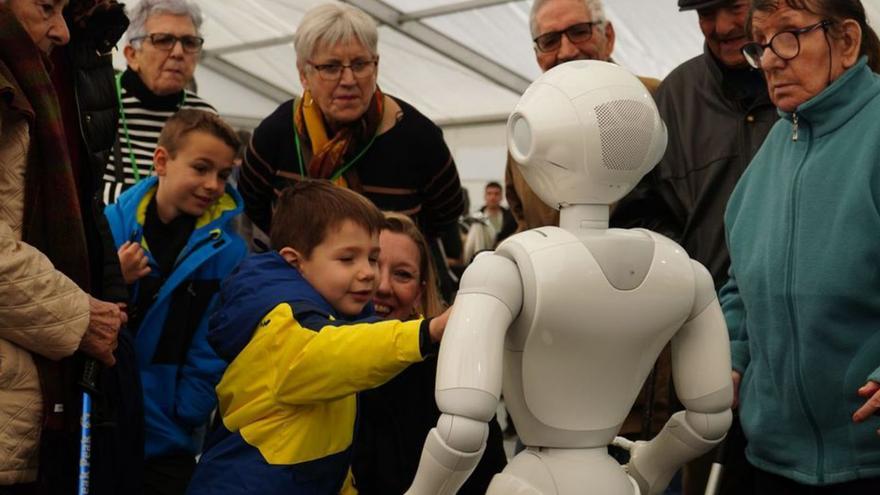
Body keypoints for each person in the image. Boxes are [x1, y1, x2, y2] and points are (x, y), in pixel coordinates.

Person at [186, 180, 450, 495]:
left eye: (371, 258)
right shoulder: (287, 329)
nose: (368, 272)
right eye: (347, 259)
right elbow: (340, 350)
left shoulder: (329, 318)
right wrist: (427, 331)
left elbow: (328, 452)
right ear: (296, 262)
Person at [611, 1, 779, 493]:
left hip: (800, 345)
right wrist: (687, 277)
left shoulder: (804, 80)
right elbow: (639, 214)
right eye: (706, 11)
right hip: (706, 345)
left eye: (734, 6)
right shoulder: (674, 98)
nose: (722, 25)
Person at [721, 0, 880, 493]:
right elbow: (738, 286)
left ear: (847, 41)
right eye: (761, 44)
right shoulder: (770, 151)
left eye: (788, 35)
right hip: (766, 458)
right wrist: (728, 356)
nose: (769, 59)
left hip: (868, 460)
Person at [239, 3, 465, 297]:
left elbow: (445, 215)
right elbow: (253, 204)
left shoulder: (419, 138)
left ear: (376, 65)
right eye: (331, 67)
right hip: (299, 300)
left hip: (391, 305)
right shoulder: (276, 133)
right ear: (303, 73)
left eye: (360, 64)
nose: (348, 80)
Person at [0, 0, 129, 493]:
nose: (61, 31)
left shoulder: (84, 49)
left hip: (40, 370)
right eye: (45, 6)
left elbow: (82, 195)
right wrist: (78, 316)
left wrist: (107, 293)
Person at [103, 109, 246, 495]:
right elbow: (77, 301)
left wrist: (188, 411)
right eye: (201, 168)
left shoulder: (228, 252)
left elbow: (214, 343)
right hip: (104, 412)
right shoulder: (110, 224)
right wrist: (114, 278)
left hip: (169, 432)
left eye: (223, 174)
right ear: (162, 161)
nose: (213, 184)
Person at [352, 212, 506, 494]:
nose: (383, 286)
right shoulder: (318, 358)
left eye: (402, 274)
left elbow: (488, 475)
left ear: (419, 293)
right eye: (373, 264)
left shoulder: (450, 375)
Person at [504, 0, 660, 232]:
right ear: (538, 55)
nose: (567, 51)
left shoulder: (655, 100)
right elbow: (523, 218)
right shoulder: (526, 122)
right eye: (550, 40)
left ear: (608, 36)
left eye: (579, 32)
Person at [102, 0, 215, 204]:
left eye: (189, 42)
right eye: (163, 40)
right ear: (132, 54)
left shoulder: (205, 118)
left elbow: (212, 198)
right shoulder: (98, 102)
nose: (179, 53)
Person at [479, 182, 516, 246]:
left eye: (496, 194)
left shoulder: (511, 218)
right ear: (485, 196)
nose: (493, 197)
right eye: (489, 194)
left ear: (501, 196)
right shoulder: (477, 217)